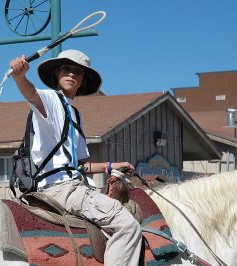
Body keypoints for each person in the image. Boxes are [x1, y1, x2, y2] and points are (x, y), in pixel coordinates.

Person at [10, 49, 142, 265]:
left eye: (77, 72)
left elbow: (79, 166)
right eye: (66, 69)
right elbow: (31, 94)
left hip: (73, 185)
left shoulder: (74, 114)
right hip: (60, 188)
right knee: (127, 225)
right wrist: (20, 76)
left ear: (83, 80)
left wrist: (111, 166)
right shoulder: (51, 99)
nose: (71, 74)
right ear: (57, 74)